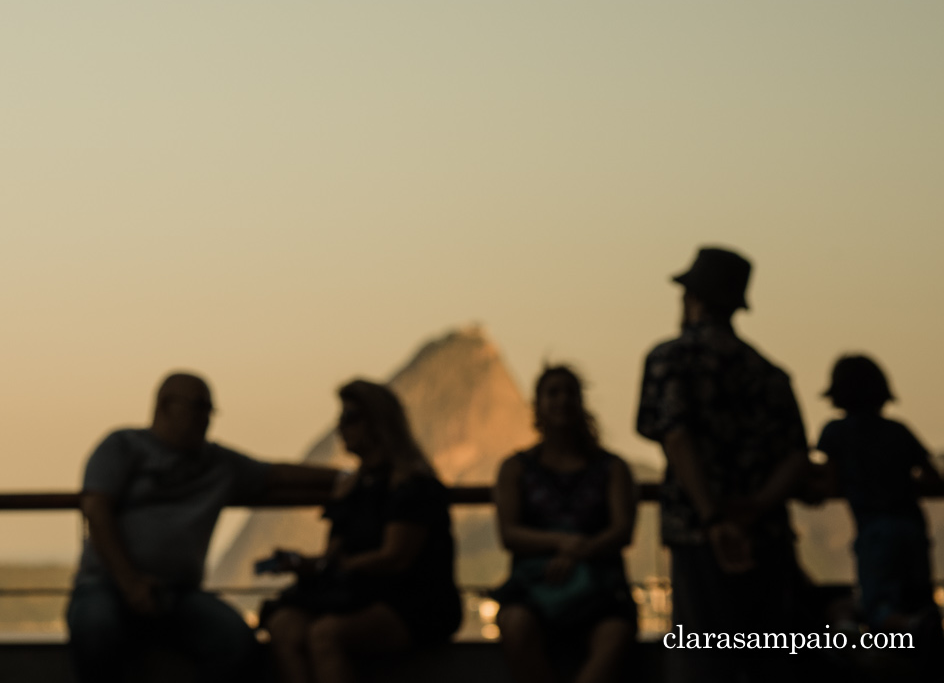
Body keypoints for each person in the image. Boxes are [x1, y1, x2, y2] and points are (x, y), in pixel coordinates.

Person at [66, 372, 338, 683]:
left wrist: (344, 478)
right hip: (106, 584)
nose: (207, 418)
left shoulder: (219, 463)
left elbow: (276, 475)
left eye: (209, 409)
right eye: (199, 407)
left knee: (236, 641)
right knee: (96, 629)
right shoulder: (121, 446)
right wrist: (130, 582)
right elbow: (96, 510)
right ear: (166, 405)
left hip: (179, 594)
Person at [634, 246, 810, 680]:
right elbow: (795, 458)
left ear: (691, 298)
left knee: (704, 657)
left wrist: (712, 517)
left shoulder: (669, 360)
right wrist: (756, 506)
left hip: (698, 536)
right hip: (765, 537)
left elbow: (676, 437)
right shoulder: (769, 372)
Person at [266, 380, 462, 683]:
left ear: (377, 423)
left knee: (325, 635)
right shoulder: (352, 486)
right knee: (283, 626)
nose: (340, 426)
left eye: (350, 417)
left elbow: (395, 557)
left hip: (411, 602)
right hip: (357, 594)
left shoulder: (412, 484)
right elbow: (335, 552)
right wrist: (309, 565)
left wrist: (337, 567)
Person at [490, 366, 638, 683]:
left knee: (614, 635)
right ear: (538, 405)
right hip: (534, 589)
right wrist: (563, 543)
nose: (563, 400)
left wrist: (576, 553)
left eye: (570, 392)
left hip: (601, 590)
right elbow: (509, 533)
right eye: (553, 392)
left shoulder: (613, 468)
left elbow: (622, 530)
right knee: (515, 625)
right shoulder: (515, 468)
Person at [815, 354, 942, 631]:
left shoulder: (836, 432)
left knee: (878, 607)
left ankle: (905, 629)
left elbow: (830, 485)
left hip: (874, 531)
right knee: (918, 597)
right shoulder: (898, 431)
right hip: (913, 526)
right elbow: (935, 479)